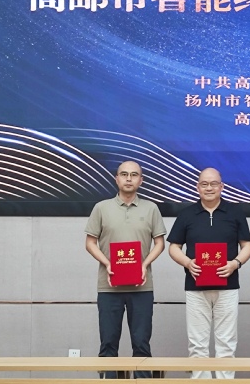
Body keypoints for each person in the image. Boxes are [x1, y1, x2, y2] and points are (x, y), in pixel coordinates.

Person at [167, 167, 250, 379]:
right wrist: (188, 263)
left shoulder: (235, 213)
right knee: (197, 344)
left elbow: (247, 246)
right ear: (197, 187)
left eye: (214, 184)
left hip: (228, 287)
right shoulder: (186, 214)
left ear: (221, 186)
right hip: (195, 288)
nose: (209, 188)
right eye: (204, 184)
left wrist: (235, 263)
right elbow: (174, 247)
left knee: (226, 343)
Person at [85, 161, 166, 379]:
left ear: (141, 180)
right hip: (109, 287)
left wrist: (144, 265)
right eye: (124, 174)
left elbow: (159, 243)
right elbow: (90, 242)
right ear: (116, 179)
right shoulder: (101, 208)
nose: (128, 178)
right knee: (108, 344)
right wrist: (108, 263)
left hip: (142, 287)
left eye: (134, 175)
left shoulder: (151, 208)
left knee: (141, 344)